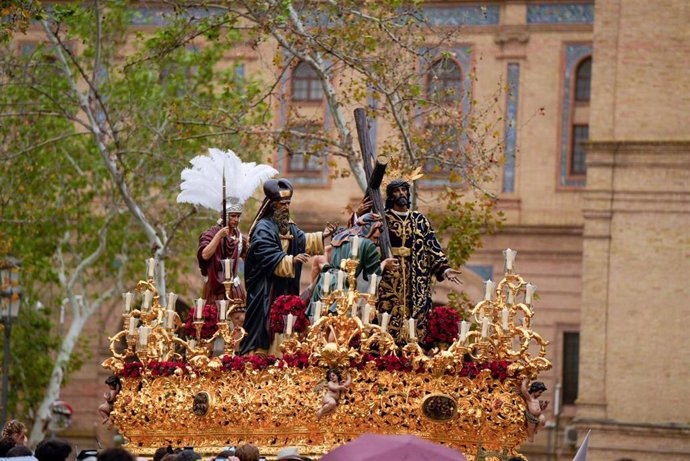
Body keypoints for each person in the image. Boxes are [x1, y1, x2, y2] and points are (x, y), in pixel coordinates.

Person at [241, 178, 336, 355]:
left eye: (288, 203)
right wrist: (291, 260)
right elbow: (265, 254)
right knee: (263, 323)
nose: (286, 207)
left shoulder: (288, 226)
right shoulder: (263, 228)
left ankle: (282, 353)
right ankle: (259, 356)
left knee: (286, 320)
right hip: (265, 288)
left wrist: (323, 235)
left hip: (284, 286)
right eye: (282, 204)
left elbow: (301, 240)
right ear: (273, 205)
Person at [177, 147, 278, 310]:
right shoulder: (210, 233)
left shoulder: (239, 237)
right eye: (232, 216)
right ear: (225, 216)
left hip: (235, 289)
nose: (236, 220)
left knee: (238, 324)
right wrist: (218, 237)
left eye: (238, 216)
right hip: (216, 289)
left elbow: (252, 256)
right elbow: (204, 255)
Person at [374, 179, 462, 341]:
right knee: (388, 315)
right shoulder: (382, 221)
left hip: (416, 279)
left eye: (404, 190)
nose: (401, 193)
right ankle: (386, 348)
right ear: (391, 195)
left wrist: (445, 269)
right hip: (389, 278)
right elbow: (372, 247)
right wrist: (382, 263)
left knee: (415, 316)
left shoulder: (420, 220)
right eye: (397, 191)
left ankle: (414, 347)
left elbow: (432, 247)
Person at [310, 213, 397, 313]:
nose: (376, 242)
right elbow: (373, 275)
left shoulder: (340, 237)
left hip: (325, 284)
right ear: (368, 230)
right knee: (344, 326)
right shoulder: (367, 244)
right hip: (344, 288)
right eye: (375, 238)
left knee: (320, 323)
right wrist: (384, 263)